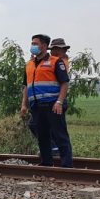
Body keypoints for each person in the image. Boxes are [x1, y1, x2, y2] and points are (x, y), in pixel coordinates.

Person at [20, 34, 74, 168]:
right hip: (36, 105)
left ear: (44, 46)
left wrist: (59, 102)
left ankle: (67, 166)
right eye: (32, 43)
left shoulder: (56, 62)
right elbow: (26, 86)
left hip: (52, 104)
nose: (32, 46)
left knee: (60, 135)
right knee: (42, 136)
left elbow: (65, 83)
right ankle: (46, 163)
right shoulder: (29, 65)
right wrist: (24, 105)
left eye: (35, 44)